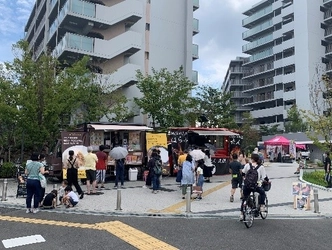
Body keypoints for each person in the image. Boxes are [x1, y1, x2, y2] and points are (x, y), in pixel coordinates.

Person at [239, 153, 269, 221]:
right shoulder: (261, 167)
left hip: (247, 185)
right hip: (256, 185)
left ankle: (241, 214)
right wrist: (267, 181)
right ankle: (262, 206)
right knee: (262, 193)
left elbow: (243, 173)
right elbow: (264, 177)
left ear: (252, 159)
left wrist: (245, 178)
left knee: (244, 198)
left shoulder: (247, 165)